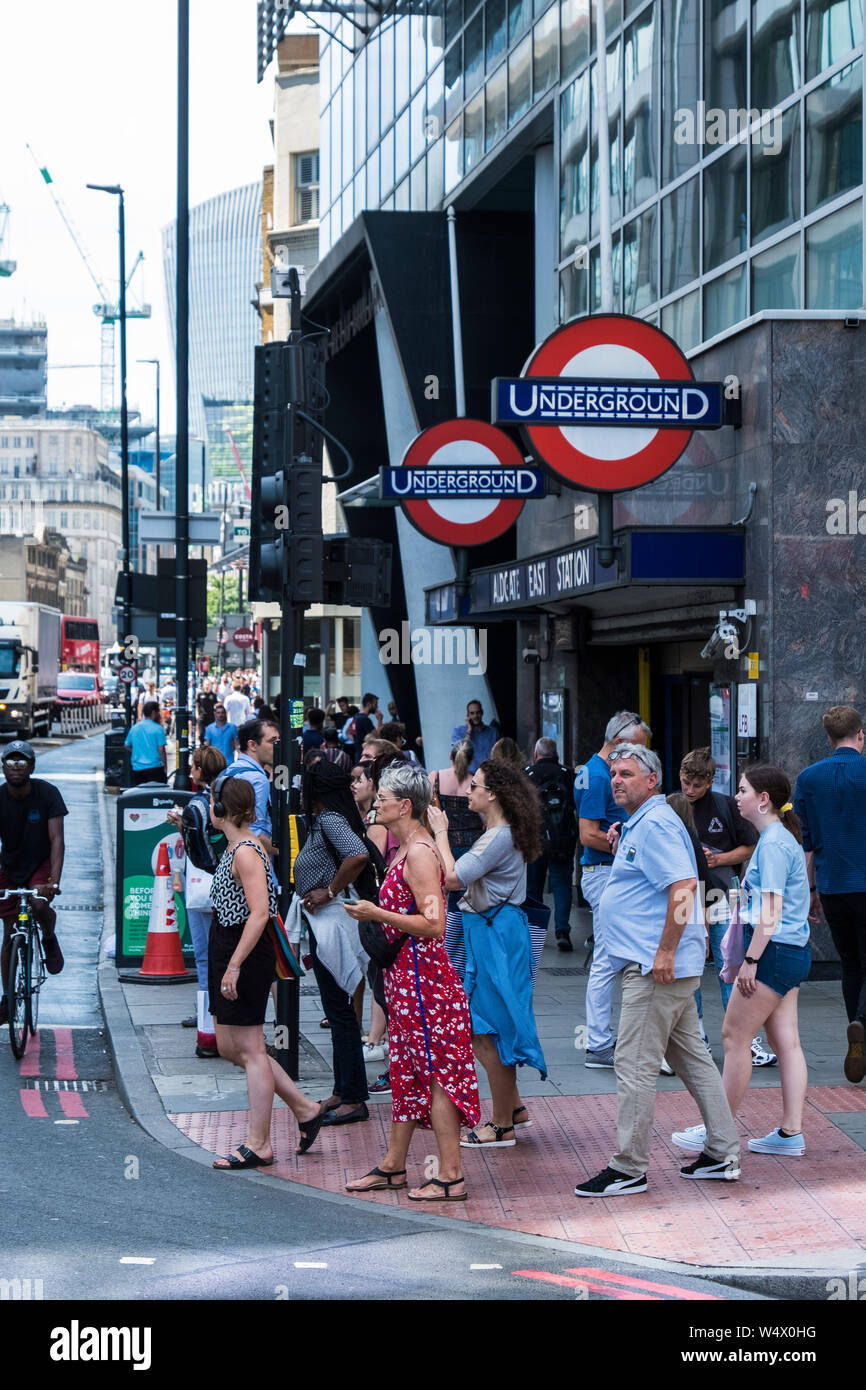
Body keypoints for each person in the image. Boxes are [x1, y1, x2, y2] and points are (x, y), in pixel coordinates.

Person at [575, 744, 740, 1196]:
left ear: (652, 780)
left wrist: (664, 952)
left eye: (627, 773)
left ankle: (629, 1167)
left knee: (632, 1064)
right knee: (692, 1059)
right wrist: (621, 837)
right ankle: (723, 1150)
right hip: (659, 965)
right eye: (614, 774)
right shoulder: (641, 823)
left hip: (654, 968)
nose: (617, 780)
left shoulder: (657, 824)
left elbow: (685, 887)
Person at [344, 763, 481, 1200]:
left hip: (426, 984)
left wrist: (375, 913)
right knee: (406, 1071)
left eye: (383, 797)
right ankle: (393, 1166)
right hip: (407, 981)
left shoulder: (419, 853)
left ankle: (451, 1175)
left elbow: (435, 923)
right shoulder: (405, 849)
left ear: (404, 805)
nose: (376, 802)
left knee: (440, 1075)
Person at [672, 765, 813, 1159]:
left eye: (742, 790)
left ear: (763, 799)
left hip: (771, 952)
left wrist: (750, 961)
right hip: (790, 952)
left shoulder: (772, 843)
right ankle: (790, 1133)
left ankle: (718, 1131)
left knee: (735, 1039)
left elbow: (769, 911)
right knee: (786, 1043)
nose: (736, 797)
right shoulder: (779, 840)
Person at [206, 774, 325, 1165]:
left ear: (220, 809)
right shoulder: (240, 845)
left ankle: (259, 1143)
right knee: (229, 1045)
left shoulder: (245, 850)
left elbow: (259, 912)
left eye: (212, 801)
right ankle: (305, 1110)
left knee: (253, 1049)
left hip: (244, 950)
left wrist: (235, 965)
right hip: (229, 946)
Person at [427, 760, 547, 1147]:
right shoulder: (499, 833)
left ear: (492, 794)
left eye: (474, 785)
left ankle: (501, 1124)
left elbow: (453, 878)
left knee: (487, 1032)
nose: (467, 791)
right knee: (491, 1026)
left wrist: (441, 833)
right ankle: (512, 1110)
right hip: (494, 933)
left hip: (496, 935)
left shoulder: (497, 837)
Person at [679, 747, 771, 1067]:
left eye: (696, 785)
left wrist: (718, 858)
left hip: (719, 893)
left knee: (728, 963)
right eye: (685, 782)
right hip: (683, 897)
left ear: (709, 782)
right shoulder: (672, 806)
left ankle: (744, 1038)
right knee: (689, 966)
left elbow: (749, 846)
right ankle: (696, 1034)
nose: (689, 790)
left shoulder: (724, 806)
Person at [293, 757, 372, 1125]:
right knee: (338, 1010)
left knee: (340, 1011)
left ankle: (354, 1097)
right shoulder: (325, 820)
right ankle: (343, 1089)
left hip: (333, 924)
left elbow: (358, 854)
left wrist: (329, 889)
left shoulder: (329, 820)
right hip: (327, 924)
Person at [794, 705, 866, 1084]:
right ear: (860, 735)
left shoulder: (808, 778)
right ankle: (861, 1024)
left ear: (828, 738)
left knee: (850, 963)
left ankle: (857, 1030)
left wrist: (809, 891)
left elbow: (807, 842)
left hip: (833, 885)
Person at [575, 711, 651, 1068]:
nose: (643, 758)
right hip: (604, 872)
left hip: (609, 871)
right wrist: (632, 847)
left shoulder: (599, 771)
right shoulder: (598, 775)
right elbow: (588, 834)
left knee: (612, 955)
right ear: (620, 742)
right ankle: (599, 1042)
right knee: (607, 958)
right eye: (639, 749)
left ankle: (604, 1039)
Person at [167, 745, 227, 1058]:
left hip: (204, 889)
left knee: (205, 957)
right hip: (233, 885)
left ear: (201, 771)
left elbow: (198, 852)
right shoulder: (232, 795)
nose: (191, 773)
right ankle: (225, 1025)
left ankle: (208, 1029)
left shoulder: (196, 805)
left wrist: (182, 826)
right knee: (226, 956)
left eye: (193, 768)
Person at [0, 741, 66, 1024]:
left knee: (38, 904)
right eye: (10, 762)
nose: (16, 767)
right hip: (9, 865)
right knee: (8, 932)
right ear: (3, 767)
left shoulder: (47, 793)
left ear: (32, 766)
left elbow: (57, 840)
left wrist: (53, 880)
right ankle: (8, 999)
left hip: (40, 863)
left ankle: (49, 938)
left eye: (22, 762)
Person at [525, 737, 578, 952]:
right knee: (562, 886)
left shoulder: (527, 774)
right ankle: (562, 931)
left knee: (533, 888)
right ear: (556, 755)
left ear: (536, 754)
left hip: (535, 840)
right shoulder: (568, 775)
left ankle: (534, 932)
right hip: (562, 841)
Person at [234, 718, 279, 860]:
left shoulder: (233, 770)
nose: (278, 746)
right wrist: (283, 852)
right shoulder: (258, 780)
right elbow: (254, 832)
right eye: (273, 741)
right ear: (253, 745)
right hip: (256, 861)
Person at [125, 700, 168, 785]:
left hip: (138, 769)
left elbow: (126, 745)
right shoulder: (158, 728)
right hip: (155, 768)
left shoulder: (135, 728)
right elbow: (161, 749)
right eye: (158, 712)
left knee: (140, 795)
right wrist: (165, 766)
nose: (159, 714)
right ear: (153, 713)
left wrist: (137, 751)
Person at [450, 701, 500, 773]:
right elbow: (460, 753)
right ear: (468, 715)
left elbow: (497, 756)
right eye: (472, 713)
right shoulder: (459, 731)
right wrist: (469, 731)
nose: (475, 716)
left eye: (478, 712)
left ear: (482, 713)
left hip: (487, 775)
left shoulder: (493, 732)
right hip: (466, 776)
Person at [352, 692, 382, 764]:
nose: (377, 707)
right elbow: (378, 737)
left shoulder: (355, 717)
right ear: (369, 704)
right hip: (366, 756)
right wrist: (379, 720)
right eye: (375, 704)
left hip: (358, 755)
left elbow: (348, 732)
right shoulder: (365, 719)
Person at [196, 678, 217, 745]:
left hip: (211, 716)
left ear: (211, 685)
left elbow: (215, 705)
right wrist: (197, 714)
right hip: (202, 716)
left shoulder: (213, 695)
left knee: (211, 733)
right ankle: (202, 746)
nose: (207, 686)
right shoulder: (200, 694)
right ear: (203, 685)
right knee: (202, 733)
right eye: (206, 684)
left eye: (208, 684)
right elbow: (197, 704)